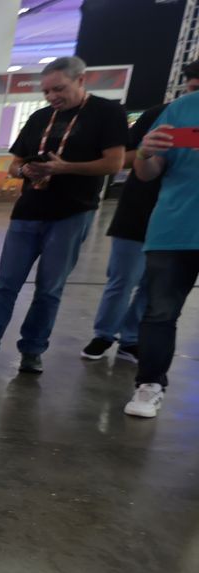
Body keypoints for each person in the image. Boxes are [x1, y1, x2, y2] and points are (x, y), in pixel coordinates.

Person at [0, 56, 127, 375]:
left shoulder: (107, 113)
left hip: (72, 214)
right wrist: (25, 169)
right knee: (5, 284)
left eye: (59, 89)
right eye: (47, 91)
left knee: (49, 289)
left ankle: (32, 350)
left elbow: (114, 163)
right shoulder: (40, 118)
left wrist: (65, 168)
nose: (52, 96)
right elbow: (14, 163)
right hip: (28, 212)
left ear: (81, 81)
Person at [82, 62, 199, 364]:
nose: (194, 94)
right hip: (139, 210)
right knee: (123, 278)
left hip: (181, 220)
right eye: (193, 87)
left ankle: (131, 338)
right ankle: (103, 334)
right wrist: (149, 150)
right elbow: (126, 159)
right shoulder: (163, 114)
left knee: (154, 288)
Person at [123, 89, 199, 418]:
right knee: (160, 313)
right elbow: (147, 172)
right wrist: (144, 153)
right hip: (175, 228)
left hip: (174, 229)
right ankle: (150, 384)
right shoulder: (182, 109)